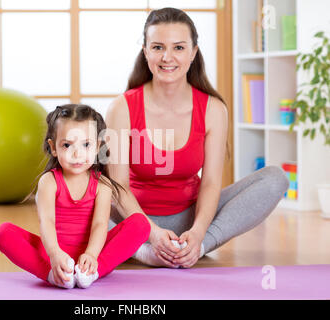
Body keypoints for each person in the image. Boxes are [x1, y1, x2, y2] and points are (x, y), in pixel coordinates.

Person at [105, 7, 289, 269]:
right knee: (86, 191)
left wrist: (199, 232)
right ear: (145, 51)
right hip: (131, 218)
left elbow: (212, 182)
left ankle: (195, 248)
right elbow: (119, 186)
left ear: (193, 52)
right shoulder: (121, 108)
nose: (167, 57)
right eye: (157, 47)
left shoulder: (213, 109)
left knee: (275, 179)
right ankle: (142, 251)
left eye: (178, 48)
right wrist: (153, 234)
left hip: (189, 219)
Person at [0, 104, 150, 289]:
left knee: (140, 224)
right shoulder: (49, 182)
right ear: (53, 147)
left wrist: (92, 255)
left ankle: (93, 272)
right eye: (67, 145)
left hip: (93, 253)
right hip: (54, 253)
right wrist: (54, 254)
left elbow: (100, 224)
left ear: (97, 147)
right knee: (4, 233)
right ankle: (53, 274)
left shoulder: (103, 184)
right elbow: (47, 222)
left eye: (86, 144)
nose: (77, 154)